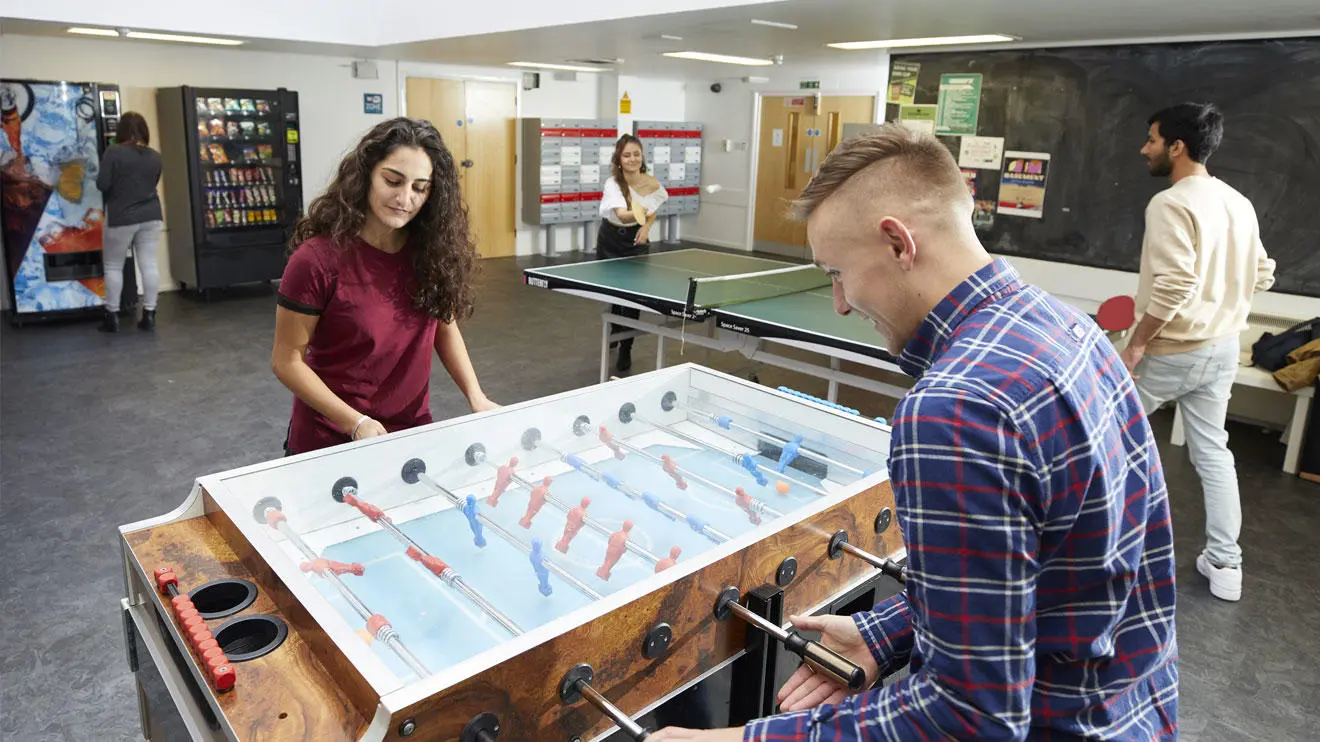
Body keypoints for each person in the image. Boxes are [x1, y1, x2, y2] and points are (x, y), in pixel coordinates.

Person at [651, 124, 1179, 741]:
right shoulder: (1065, 327)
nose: (840, 302)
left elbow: (969, 718)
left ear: (899, 243)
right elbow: (1056, 570)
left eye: (838, 272)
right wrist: (889, 631)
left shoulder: (953, 411)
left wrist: (733, 740)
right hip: (1135, 711)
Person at [1120, 102, 1275, 603]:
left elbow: (1175, 284)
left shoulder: (1170, 203)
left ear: (1177, 147)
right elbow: (1263, 272)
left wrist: (1137, 344)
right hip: (1223, 348)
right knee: (1214, 454)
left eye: (1152, 139)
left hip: (1169, 351)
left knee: (1110, 445)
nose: (1145, 149)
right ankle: (1226, 565)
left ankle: (1103, 556)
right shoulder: (1238, 202)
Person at [271, 117, 497, 456]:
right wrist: (355, 422)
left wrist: (475, 396)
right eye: (393, 180)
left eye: (420, 187)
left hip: (410, 432)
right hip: (332, 440)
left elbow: (443, 326)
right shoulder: (316, 261)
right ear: (365, 176)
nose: (405, 198)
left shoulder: (430, 254)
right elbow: (286, 360)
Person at [597, 134, 667, 373]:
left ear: (642, 156)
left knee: (634, 297)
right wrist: (643, 211)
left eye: (636, 154)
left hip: (636, 240)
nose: (632, 159)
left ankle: (626, 346)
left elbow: (652, 212)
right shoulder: (613, 184)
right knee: (616, 294)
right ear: (619, 158)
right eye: (627, 155)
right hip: (610, 240)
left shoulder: (652, 183)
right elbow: (621, 215)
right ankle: (616, 329)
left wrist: (646, 227)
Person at [95, 111, 162, 332]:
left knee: (113, 265)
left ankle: (112, 316)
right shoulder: (155, 155)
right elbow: (151, 182)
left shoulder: (113, 152)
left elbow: (102, 184)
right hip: (151, 215)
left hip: (121, 216)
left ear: (120, 132)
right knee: (149, 264)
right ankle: (150, 315)